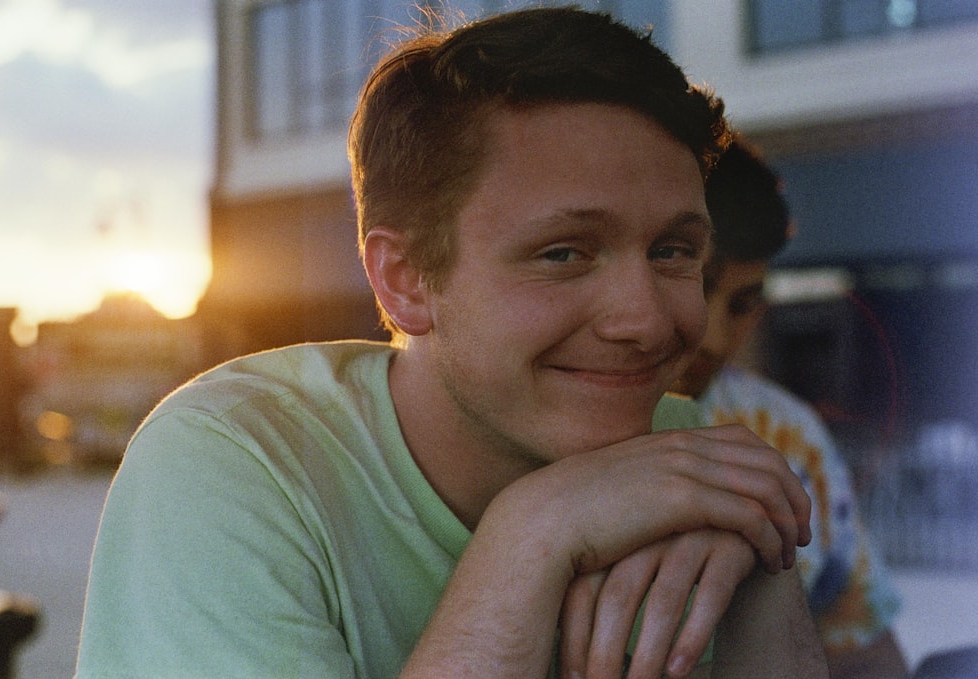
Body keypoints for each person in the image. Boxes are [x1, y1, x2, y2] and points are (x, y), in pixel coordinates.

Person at [76, 8, 827, 678]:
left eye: (672, 250)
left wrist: (766, 566)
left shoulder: (692, 463)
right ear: (404, 280)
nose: (647, 321)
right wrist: (534, 532)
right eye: (563, 252)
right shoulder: (234, 457)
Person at [670, 139, 907, 678]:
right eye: (694, 284)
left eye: (744, 302)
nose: (715, 336)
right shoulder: (566, 418)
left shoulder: (788, 435)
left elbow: (867, 656)